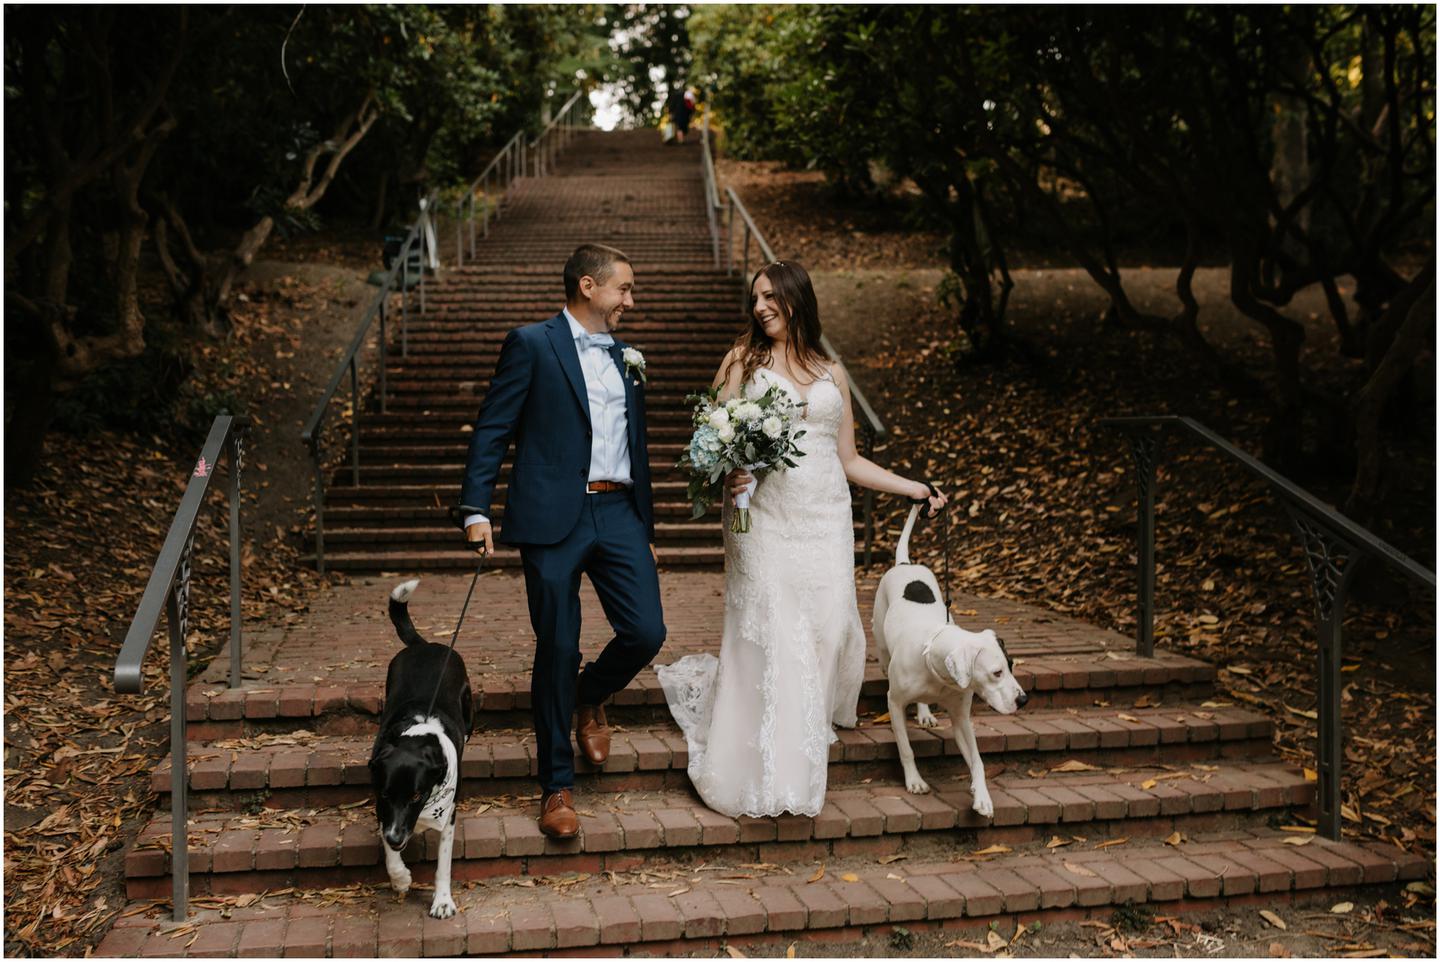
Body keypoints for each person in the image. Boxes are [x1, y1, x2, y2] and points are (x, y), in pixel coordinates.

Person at [656, 260, 945, 817]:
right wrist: (729, 470)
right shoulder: (743, 360)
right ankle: (767, 770)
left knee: (826, 630)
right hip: (763, 517)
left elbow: (850, 459)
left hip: (825, 520)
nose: (761, 306)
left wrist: (912, 486)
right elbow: (706, 443)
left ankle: (797, 744)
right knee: (775, 631)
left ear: (796, 298)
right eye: (755, 298)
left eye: (770, 296)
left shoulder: (832, 372)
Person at [458, 244, 665, 839]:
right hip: (553, 518)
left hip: (620, 509)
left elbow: (636, 444)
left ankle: (585, 696)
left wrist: (645, 527)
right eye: (623, 289)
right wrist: (477, 508)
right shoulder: (531, 344)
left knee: (647, 630)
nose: (630, 300)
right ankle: (556, 786)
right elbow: (493, 428)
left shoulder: (628, 356)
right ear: (587, 286)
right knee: (557, 644)